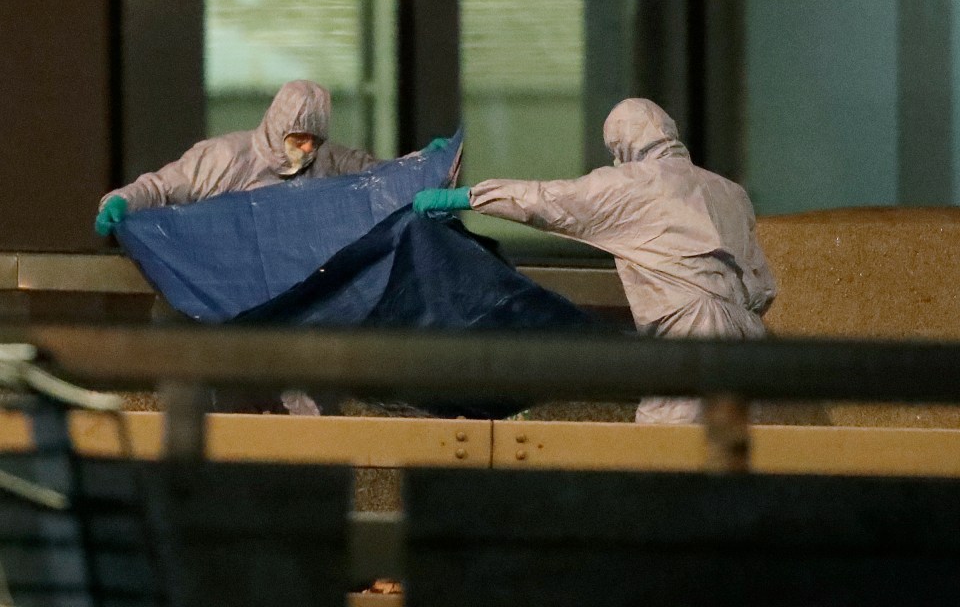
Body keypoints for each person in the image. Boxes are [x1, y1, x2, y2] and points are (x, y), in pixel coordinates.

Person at [413, 98, 777, 424]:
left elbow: (545, 200)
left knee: (666, 452)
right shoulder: (730, 192)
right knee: (738, 453)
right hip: (747, 339)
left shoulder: (633, 184)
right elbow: (763, 288)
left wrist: (469, 197)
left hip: (691, 330)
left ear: (622, 142)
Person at [96, 79, 387, 236]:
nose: (308, 149)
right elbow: (161, 187)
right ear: (279, 127)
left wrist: (428, 161)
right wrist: (123, 200)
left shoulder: (330, 160)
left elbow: (383, 176)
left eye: (316, 140)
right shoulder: (225, 158)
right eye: (299, 138)